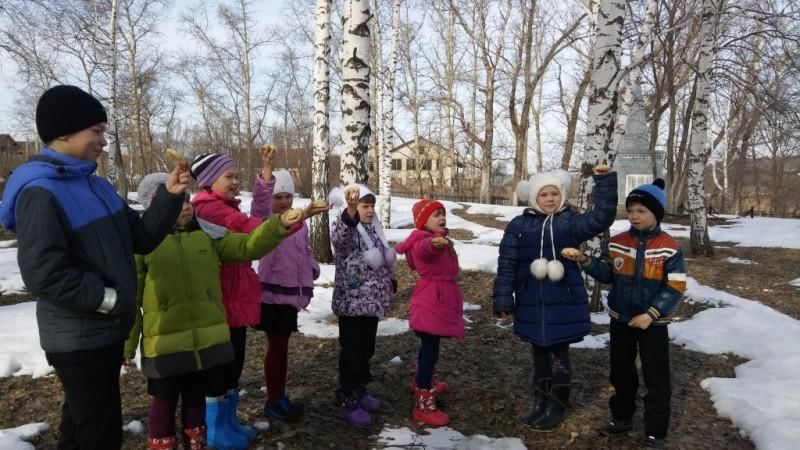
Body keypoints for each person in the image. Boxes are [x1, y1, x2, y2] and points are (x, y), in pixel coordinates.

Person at [0, 85, 189, 450]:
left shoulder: (96, 186)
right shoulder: (41, 192)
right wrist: (109, 299)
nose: (103, 141)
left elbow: (142, 237)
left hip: (102, 332)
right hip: (78, 337)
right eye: (97, 131)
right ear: (64, 131)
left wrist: (170, 193)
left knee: (82, 423)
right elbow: (43, 272)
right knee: (100, 434)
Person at [125, 172, 302, 450]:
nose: (185, 207)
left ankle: (199, 445)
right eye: (175, 202)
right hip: (164, 343)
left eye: (186, 200)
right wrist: (127, 343)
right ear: (155, 207)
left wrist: (277, 225)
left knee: (196, 402)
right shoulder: (143, 247)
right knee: (163, 403)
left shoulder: (206, 233)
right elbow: (131, 298)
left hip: (205, 341)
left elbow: (246, 246)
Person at [189, 151, 328, 442]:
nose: (235, 181)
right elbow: (250, 227)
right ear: (209, 180)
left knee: (233, 362)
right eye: (229, 176)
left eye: (237, 176)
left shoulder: (222, 205)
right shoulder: (209, 210)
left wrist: (266, 175)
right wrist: (296, 217)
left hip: (234, 292)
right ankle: (214, 431)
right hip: (221, 295)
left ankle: (227, 423)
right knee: (221, 366)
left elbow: (256, 216)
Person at [564, 178, 686, 450]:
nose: (634, 216)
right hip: (621, 320)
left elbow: (676, 285)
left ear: (656, 213)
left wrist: (652, 314)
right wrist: (585, 261)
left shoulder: (670, 247)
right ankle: (621, 417)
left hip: (652, 324)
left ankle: (656, 431)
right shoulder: (618, 242)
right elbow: (609, 274)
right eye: (631, 210)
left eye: (641, 211)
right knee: (621, 372)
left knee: (656, 377)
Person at [493, 166, 617, 432]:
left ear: (561, 196)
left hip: (564, 298)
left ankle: (557, 404)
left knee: (559, 352)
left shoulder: (569, 222)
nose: (549, 199)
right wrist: (503, 297)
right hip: (531, 300)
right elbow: (508, 263)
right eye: (543, 195)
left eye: (554, 194)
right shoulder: (519, 226)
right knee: (538, 352)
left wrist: (604, 182)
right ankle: (541, 400)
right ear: (533, 198)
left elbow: (602, 217)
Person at [250, 145, 320, 422]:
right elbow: (258, 203)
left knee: (283, 348)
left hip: (291, 296)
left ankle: (279, 395)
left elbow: (304, 252)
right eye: (278, 196)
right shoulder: (266, 221)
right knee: (276, 349)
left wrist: (312, 269)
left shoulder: (298, 223)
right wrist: (266, 172)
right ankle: (273, 399)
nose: (282, 201)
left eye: (287, 196)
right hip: (271, 297)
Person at [329, 184, 397, 428]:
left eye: (372, 206)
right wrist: (349, 210)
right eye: (364, 206)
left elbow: (381, 261)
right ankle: (348, 397)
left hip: (372, 303)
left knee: (367, 349)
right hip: (351, 303)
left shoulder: (375, 230)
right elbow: (339, 239)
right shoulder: (347, 227)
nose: (369, 211)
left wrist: (390, 281)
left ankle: (359, 389)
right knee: (352, 352)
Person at [395, 199, 463, 427]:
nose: (441, 218)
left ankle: (422, 380)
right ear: (424, 222)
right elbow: (424, 251)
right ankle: (423, 402)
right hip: (431, 301)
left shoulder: (439, 239)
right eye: (436, 215)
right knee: (430, 348)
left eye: (443, 213)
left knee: (429, 347)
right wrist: (434, 245)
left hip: (435, 300)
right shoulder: (425, 241)